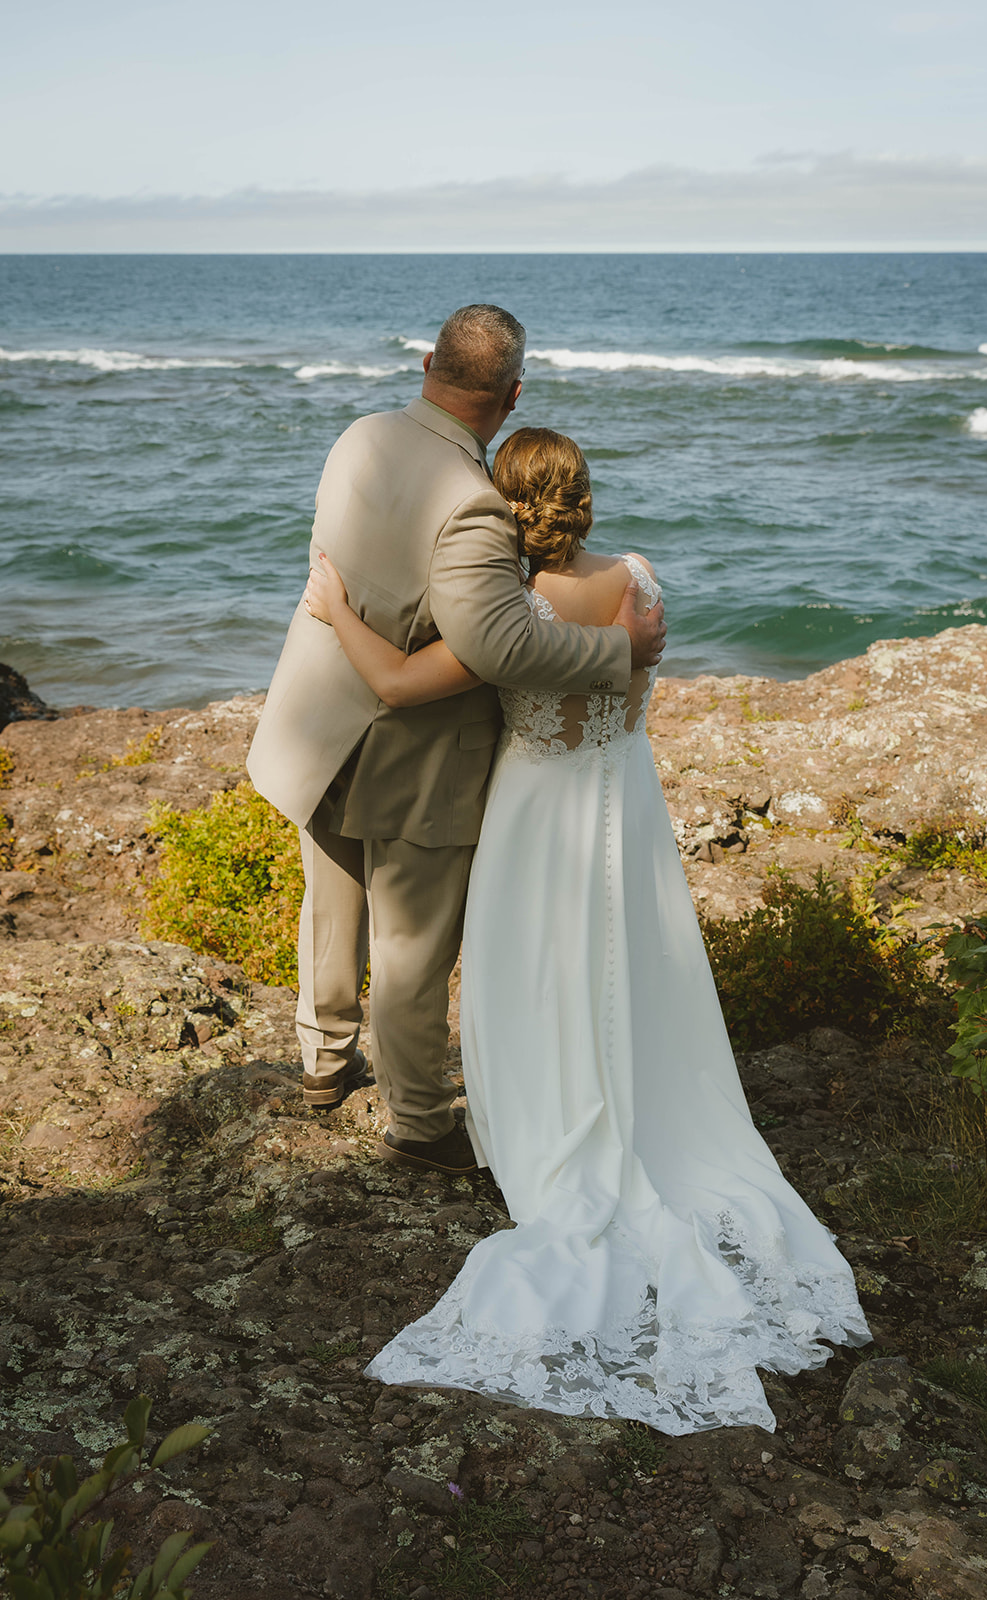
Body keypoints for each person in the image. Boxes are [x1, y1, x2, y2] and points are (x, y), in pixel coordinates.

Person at [303, 426, 871, 1435]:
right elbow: (631, 685)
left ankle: (544, 1113)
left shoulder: (506, 614)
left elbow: (394, 683)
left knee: (538, 977)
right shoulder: (638, 584)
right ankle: (635, 1101)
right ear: (585, 497)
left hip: (535, 815)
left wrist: (335, 608)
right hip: (626, 806)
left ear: (504, 511)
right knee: (630, 970)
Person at [247, 306, 665, 1177]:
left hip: (320, 715)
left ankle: (325, 1061)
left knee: (331, 899)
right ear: (512, 395)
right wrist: (613, 649)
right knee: (410, 945)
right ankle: (420, 1123)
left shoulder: (359, 437)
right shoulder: (473, 501)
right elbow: (498, 645)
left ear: (428, 362)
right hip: (414, 750)